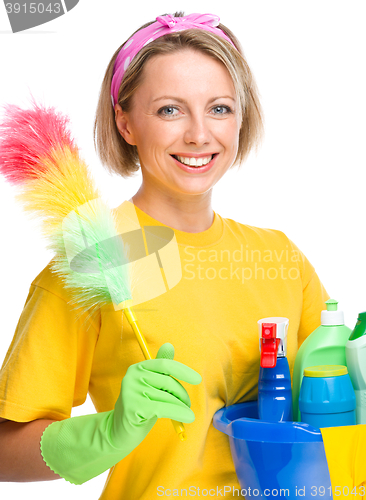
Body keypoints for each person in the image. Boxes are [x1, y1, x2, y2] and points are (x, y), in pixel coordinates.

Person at [0, 11, 329, 499]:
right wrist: (109, 432)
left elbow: (339, 405)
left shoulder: (280, 256)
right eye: (170, 110)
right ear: (126, 123)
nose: (199, 134)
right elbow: (5, 451)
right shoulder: (91, 261)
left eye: (219, 108)